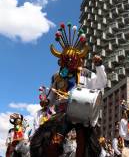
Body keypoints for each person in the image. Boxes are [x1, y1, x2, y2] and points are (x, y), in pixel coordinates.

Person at [30, 22, 107, 157]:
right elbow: (51, 96)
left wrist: (99, 66)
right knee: (51, 142)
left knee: (85, 146)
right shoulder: (57, 76)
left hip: (82, 114)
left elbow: (101, 83)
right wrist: (46, 102)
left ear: (78, 59)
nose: (70, 61)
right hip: (62, 113)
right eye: (67, 59)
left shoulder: (85, 73)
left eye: (72, 58)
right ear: (62, 60)